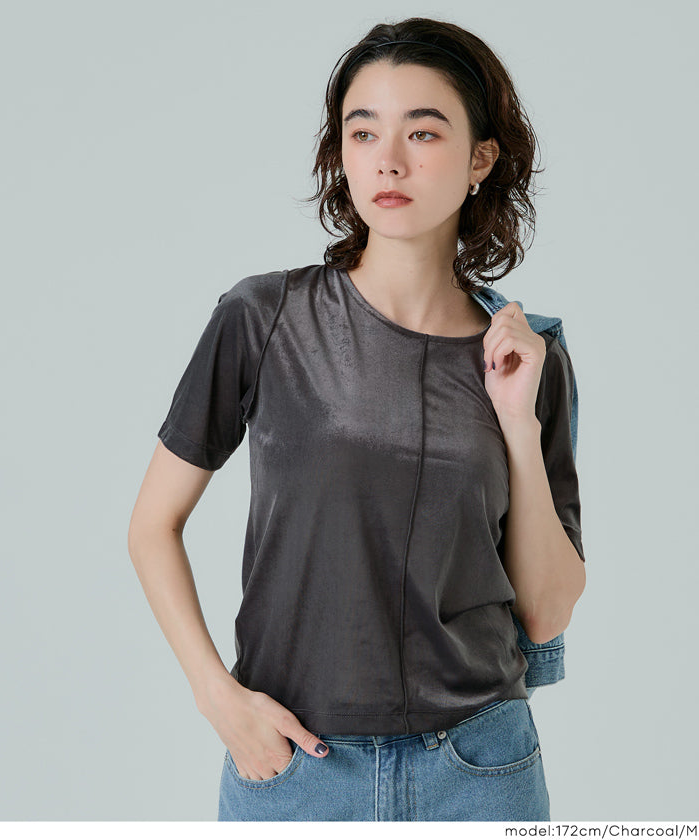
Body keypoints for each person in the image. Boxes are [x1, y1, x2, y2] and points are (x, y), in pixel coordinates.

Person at [127, 16, 586, 822]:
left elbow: (546, 609)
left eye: (424, 132)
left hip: (478, 771)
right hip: (295, 768)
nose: (389, 159)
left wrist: (517, 422)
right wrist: (218, 698)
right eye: (363, 131)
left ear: (481, 158)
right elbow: (151, 525)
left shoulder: (528, 352)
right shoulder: (264, 317)